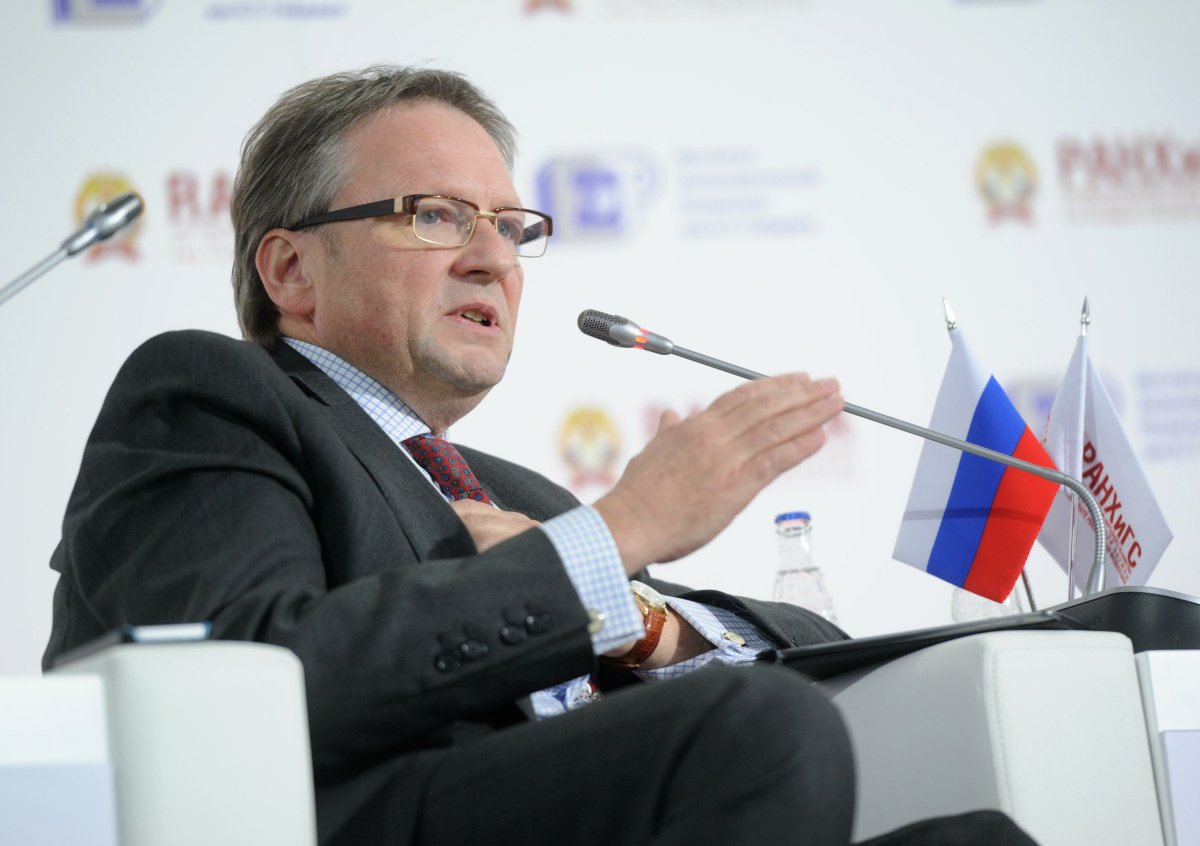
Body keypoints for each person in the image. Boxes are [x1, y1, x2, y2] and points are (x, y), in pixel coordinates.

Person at [44, 66, 1036, 846]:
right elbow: (248, 690)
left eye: (510, 228)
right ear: (292, 269)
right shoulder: (210, 396)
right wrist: (622, 529)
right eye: (435, 216)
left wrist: (641, 620)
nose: (493, 259)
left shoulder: (524, 496)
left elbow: (819, 656)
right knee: (757, 725)